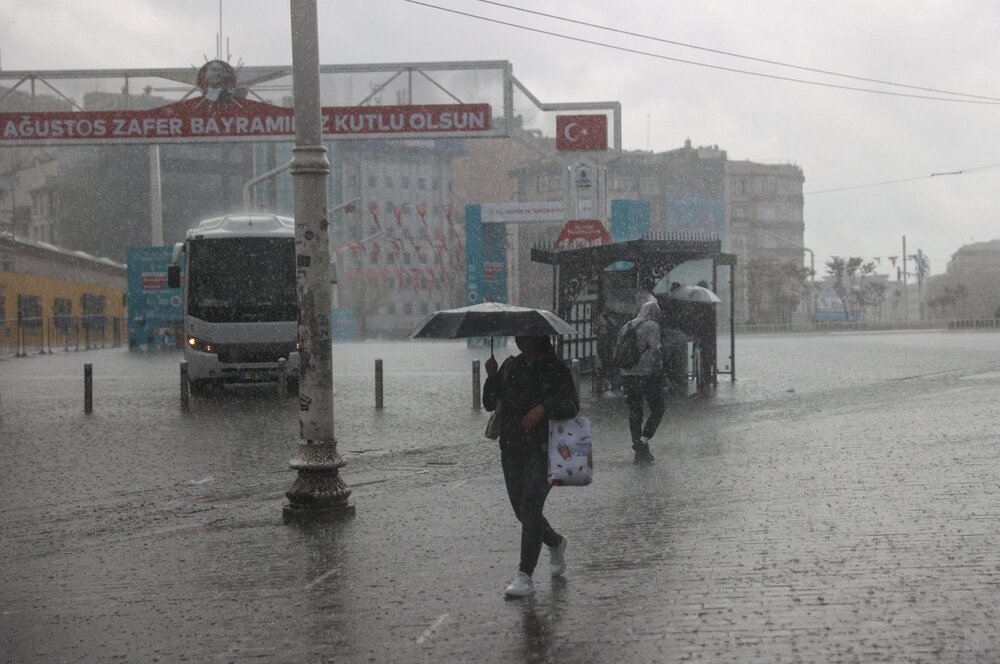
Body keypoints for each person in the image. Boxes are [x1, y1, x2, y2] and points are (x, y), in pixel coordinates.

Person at [483, 336, 580, 598]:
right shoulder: (510, 366)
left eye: (525, 335)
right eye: (518, 335)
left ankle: (524, 575)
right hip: (512, 448)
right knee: (522, 510)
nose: (520, 340)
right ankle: (556, 542)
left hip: (545, 447)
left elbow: (572, 405)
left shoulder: (554, 367)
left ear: (537, 336)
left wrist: (544, 408)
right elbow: (489, 403)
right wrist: (492, 377)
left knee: (532, 503)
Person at [614, 300, 665, 464]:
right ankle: (642, 441)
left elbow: (617, 351)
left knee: (635, 412)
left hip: (628, 374)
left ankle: (641, 452)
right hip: (647, 374)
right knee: (658, 408)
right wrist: (661, 370)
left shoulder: (626, 326)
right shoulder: (652, 326)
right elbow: (656, 350)